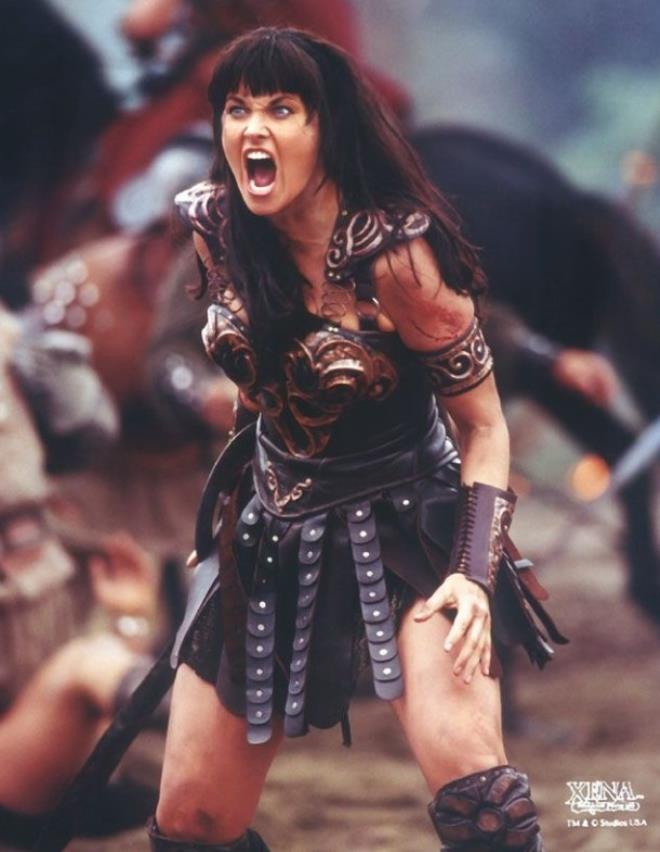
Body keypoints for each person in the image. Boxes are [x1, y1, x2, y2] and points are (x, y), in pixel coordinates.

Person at [152, 27, 566, 851]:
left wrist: (473, 574)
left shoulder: (395, 258)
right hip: (269, 531)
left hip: (409, 528)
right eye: (237, 108)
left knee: (479, 796)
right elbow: (258, 385)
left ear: (327, 127)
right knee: (192, 823)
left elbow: (483, 425)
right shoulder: (216, 227)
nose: (253, 127)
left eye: (281, 109)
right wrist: (232, 501)